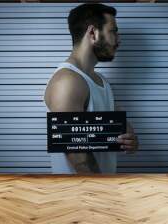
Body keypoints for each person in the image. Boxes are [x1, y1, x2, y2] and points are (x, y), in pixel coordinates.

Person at [44, 3, 138, 174]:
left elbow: (118, 125)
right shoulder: (67, 81)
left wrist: (130, 139)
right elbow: (80, 160)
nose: (119, 40)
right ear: (93, 33)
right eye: (113, 31)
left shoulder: (102, 81)